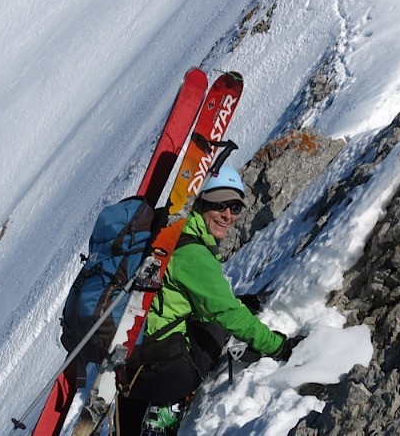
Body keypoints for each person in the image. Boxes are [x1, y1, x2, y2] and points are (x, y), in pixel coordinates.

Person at [115, 165, 303, 435]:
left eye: (235, 208)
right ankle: (167, 408)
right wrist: (279, 347)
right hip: (160, 374)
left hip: (126, 368)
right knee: (216, 330)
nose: (228, 215)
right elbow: (226, 314)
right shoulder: (192, 253)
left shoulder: (168, 235)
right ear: (201, 204)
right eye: (219, 205)